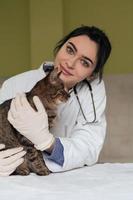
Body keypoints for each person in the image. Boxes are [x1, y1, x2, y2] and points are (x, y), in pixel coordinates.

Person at [0, 25, 111, 176]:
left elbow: (89, 147)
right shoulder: (15, 84)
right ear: (60, 48)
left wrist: (48, 142)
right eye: (70, 50)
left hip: (67, 179)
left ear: (91, 75)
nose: (70, 63)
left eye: (84, 62)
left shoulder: (92, 92)